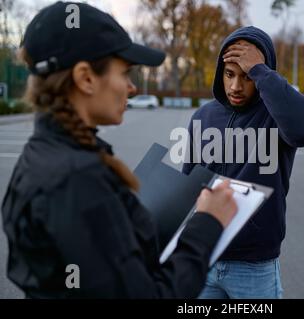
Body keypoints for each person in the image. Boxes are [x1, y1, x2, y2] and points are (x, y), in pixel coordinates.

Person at [1, 1, 237, 299]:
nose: (132, 87)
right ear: (86, 78)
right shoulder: (79, 179)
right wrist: (207, 223)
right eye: (124, 73)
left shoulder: (43, 156)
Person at [182, 26, 304, 299]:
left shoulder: (277, 116)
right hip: (204, 258)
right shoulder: (203, 116)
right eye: (229, 74)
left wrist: (261, 71)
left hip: (253, 266)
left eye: (247, 77)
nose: (235, 86)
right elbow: (188, 185)